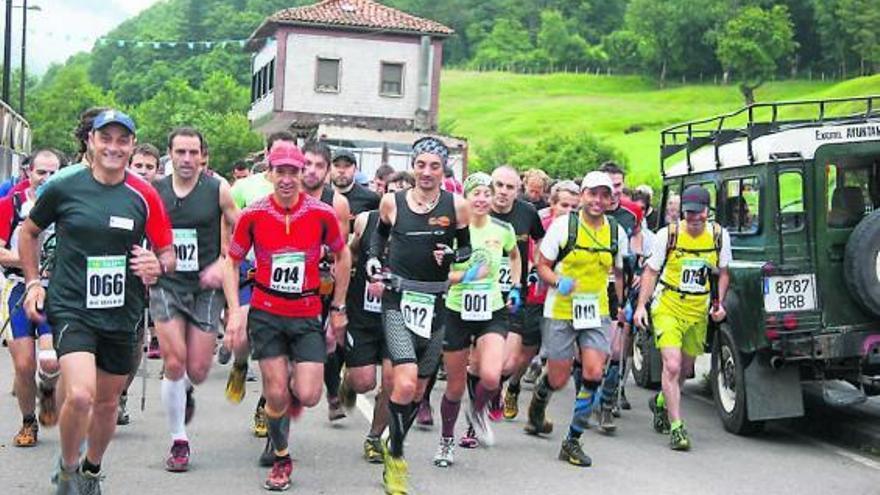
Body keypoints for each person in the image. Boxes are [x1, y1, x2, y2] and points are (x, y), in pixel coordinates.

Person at [20, 110, 174, 494]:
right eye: (106, 138)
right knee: (81, 394)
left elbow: (168, 252)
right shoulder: (63, 185)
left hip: (122, 313)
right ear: (91, 141)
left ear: (132, 146)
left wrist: (156, 264)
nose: (114, 147)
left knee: (106, 405)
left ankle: (91, 470)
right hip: (72, 306)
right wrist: (34, 283)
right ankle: (68, 468)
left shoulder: (144, 194)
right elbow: (29, 232)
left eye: (123, 140)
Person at [222, 141, 350, 491]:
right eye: (281, 172)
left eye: (294, 172)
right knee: (276, 394)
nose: (288, 179)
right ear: (271, 173)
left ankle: (286, 404)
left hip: (307, 312)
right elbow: (231, 263)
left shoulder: (320, 213)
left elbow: (343, 257)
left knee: (307, 395)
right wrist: (235, 312)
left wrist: (338, 308)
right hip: (266, 313)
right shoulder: (254, 215)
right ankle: (281, 457)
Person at [367, 136, 470, 494]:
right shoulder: (391, 202)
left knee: (418, 390)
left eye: (434, 166)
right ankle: (395, 456)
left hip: (436, 304)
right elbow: (377, 241)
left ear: (444, 170)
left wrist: (451, 255)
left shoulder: (456, 205)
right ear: (413, 166)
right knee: (405, 382)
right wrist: (373, 262)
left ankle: (394, 443)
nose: (426, 172)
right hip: (398, 299)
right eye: (421, 165)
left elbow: (466, 251)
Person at [524, 171, 627, 467]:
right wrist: (557, 281)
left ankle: (572, 440)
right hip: (561, 309)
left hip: (596, 310)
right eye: (592, 194)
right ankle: (539, 403)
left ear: (610, 200)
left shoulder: (615, 232)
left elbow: (619, 273)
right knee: (558, 378)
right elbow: (541, 265)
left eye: (604, 195)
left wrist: (620, 305)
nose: (598, 200)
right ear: (583, 196)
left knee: (594, 373)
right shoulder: (563, 226)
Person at [151, 127, 239, 472]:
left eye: (193, 153)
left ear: (203, 155)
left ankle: (184, 388)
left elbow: (244, 231)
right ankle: (179, 440)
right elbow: (137, 229)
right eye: (180, 153)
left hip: (205, 287)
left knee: (198, 370)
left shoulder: (218, 189)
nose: (187, 160)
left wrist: (223, 261)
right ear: (169, 154)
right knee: (174, 361)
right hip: (167, 285)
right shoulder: (154, 190)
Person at [634, 185, 730, 451]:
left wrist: (718, 303)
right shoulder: (668, 235)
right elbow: (651, 272)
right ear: (682, 213)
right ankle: (677, 427)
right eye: (689, 213)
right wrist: (642, 306)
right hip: (668, 305)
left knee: (686, 369)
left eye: (699, 213)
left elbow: (723, 272)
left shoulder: (720, 236)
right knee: (673, 366)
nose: (695, 219)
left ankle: (661, 402)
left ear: (708, 212)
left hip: (698, 309)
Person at [433, 172, 519, 467]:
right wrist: (467, 275)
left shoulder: (503, 229)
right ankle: (446, 441)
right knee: (455, 386)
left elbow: (516, 255)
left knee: (492, 376)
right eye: (476, 193)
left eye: (486, 193)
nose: (482, 199)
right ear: (465, 198)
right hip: (457, 310)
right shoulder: (452, 230)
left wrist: (516, 285)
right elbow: (440, 274)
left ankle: (478, 412)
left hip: (491, 310)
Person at [341, 174, 414, 464]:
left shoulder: (418, 229)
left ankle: (374, 437)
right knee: (363, 383)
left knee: (392, 383)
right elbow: (349, 255)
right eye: (391, 194)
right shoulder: (365, 221)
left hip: (397, 315)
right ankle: (349, 381)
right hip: (363, 313)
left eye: (402, 194)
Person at [0, 149, 62, 447]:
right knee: (24, 364)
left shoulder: (69, 207)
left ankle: (48, 389)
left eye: (54, 173)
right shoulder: (9, 205)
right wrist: (31, 263)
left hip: (58, 290)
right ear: (28, 172)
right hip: (18, 288)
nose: (47, 179)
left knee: (50, 363)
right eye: (41, 172)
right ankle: (28, 421)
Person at [504, 179, 580, 420]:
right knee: (527, 351)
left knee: (559, 355)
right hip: (536, 296)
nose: (569, 212)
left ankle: (539, 406)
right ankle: (513, 387)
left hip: (564, 301)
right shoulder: (541, 226)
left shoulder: (581, 229)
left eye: (573, 208)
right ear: (552, 204)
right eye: (564, 205)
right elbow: (525, 258)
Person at [482, 165, 544, 432]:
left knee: (510, 361)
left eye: (510, 187)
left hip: (514, 295)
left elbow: (540, 240)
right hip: (481, 293)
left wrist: (534, 264)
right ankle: (485, 392)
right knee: (480, 362)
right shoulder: (478, 209)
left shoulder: (527, 213)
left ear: (518, 190)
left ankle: (497, 388)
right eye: (499, 185)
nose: (503, 192)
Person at [330, 149, 380, 227]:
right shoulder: (318, 195)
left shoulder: (371, 199)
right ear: (329, 168)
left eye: (347, 166)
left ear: (355, 169)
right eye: (337, 165)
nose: (341, 170)